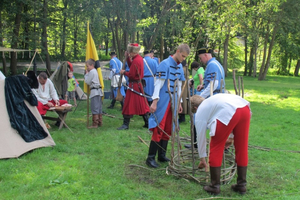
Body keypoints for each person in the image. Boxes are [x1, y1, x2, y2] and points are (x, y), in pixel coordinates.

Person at [190, 94, 251, 195]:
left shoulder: (201, 110)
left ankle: (214, 186)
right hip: (244, 108)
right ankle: (241, 186)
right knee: (242, 147)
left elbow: (200, 137)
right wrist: (231, 137)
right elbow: (234, 112)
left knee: (216, 146)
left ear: (196, 108)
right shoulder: (213, 101)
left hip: (230, 111)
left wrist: (202, 158)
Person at [146, 44, 190, 168]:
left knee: (169, 127)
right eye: (182, 56)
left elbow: (180, 85)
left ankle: (161, 155)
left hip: (174, 101)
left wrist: (179, 103)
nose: (183, 59)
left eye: (185, 57)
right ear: (177, 51)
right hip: (163, 101)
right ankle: (150, 158)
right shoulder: (165, 64)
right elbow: (158, 84)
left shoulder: (180, 66)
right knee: (159, 127)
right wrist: (154, 102)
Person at [117, 43, 150, 130]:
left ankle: (126, 124)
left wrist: (123, 72)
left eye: (129, 52)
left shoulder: (137, 60)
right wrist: (128, 58)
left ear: (132, 52)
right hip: (137, 85)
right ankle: (147, 122)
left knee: (128, 104)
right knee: (141, 104)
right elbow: (132, 67)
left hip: (134, 85)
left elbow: (131, 74)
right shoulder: (137, 59)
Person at [84, 58, 103, 128]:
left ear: (92, 65)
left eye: (88, 66)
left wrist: (86, 75)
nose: (87, 68)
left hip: (95, 91)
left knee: (95, 107)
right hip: (99, 91)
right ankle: (100, 122)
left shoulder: (92, 72)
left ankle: (95, 124)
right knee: (98, 107)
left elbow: (88, 82)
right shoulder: (95, 71)